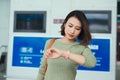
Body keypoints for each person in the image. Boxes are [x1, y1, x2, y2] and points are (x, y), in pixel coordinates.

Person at [37, 10, 96, 80]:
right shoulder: (50, 43)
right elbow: (42, 70)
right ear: (65, 24)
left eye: (77, 28)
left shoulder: (81, 47)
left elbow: (92, 63)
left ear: (81, 31)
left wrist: (64, 53)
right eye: (70, 26)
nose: (72, 31)